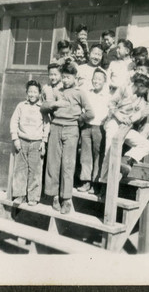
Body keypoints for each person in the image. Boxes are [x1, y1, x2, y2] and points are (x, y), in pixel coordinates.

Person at [42, 63, 94, 214]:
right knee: (53, 163)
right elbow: (43, 107)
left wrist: (78, 120)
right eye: (63, 77)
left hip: (71, 129)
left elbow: (90, 113)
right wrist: (55, 104)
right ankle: (54, 197)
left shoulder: (80, 93)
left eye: (68, 77)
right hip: (55, 127)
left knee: (68, 164)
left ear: (75, 78)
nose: (65, 80)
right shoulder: (56, 91)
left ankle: (66, 198)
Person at [97, 74, 149, 191]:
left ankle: (126, 160)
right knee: (109, 151)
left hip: (126, 127)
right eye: (145, 88)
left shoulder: (141, 98)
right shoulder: (124, 89)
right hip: (114, 122)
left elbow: (140, 113)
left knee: (147, 145)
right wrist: (119, 116)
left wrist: (131, 119)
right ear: (140, 85)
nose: (146, 91)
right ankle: (104, 184)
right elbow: (111, 103)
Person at [9, 80, 50, 206]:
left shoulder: (42, 107)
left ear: (39, 94)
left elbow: (46, 125)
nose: (32, 94)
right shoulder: (21, 106)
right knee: (20, 169)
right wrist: (15, 138)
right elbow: (14, 122)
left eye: (35, 92)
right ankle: (20, 195)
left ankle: (33, 197)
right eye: (30, 92)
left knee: (35, 170)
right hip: (22, 141)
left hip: (36, 142)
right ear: (26, 93)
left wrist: (44, 141)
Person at [77, 68, 110, 193]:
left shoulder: (108, 96)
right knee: (85, 156)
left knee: (98, 156)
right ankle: (86, 182)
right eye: (94, 78)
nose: (96, 81)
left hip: (99, 128)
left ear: (104, 81)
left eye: (99, 79)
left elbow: (110, 113)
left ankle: (96, 183)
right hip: (86, 127)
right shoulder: (87, 93)